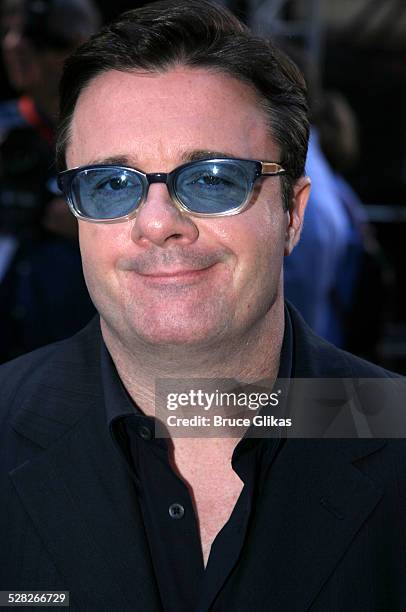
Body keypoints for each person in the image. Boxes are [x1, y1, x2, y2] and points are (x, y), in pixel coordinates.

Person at [0, 2, 405, 611]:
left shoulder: (389, 429)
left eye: (212, 178)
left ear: (292, 214)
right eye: (112, 185)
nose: (158, 224)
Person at [0, 0, 100, 361]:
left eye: (35, 34)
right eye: (8, 29)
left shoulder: (122, 130)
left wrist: (97, 226)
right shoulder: (8, 130)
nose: (14, 44)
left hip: (90, 345)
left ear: (79, 45)